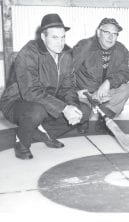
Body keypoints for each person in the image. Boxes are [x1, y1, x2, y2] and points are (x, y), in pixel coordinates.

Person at [0, 14, 90, 160]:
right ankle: (21, 142)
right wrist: (63, 108)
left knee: (83, 111)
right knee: (37, 111)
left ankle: (43, 132)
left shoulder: (66, 54)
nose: (60, 43)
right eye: (55, 37)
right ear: (43, 36)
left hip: (47, 100)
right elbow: (30, 92)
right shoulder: (28, 53)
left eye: (63, 37)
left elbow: (68, 87)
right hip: (17, 102)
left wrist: (72, 106)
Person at [73, 18, 129, 131]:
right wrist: (74, 92)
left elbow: (125, 72)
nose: (111, 37)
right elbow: (66, 71)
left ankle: (104, 116)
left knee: (125, 89)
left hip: (105, 94)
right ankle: (84, 117)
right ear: (99, 32)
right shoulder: (84, 46)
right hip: (85, 94)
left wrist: (108, 83)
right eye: (107, 32)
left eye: (115, 34)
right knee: (81, 115)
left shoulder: (121, 49)